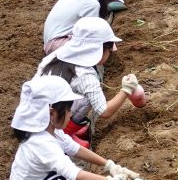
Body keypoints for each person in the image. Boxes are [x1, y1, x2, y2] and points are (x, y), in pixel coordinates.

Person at [6, 76, 139, 180]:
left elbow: (75, 148)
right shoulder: (42, 143)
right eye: (68, 110)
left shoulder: (51, 132)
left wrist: (110, 165)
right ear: (52, 113)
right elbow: (75, 174)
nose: (70, 114)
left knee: (62, 178)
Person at [36, 17, 143, 146]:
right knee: (86, 98)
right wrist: (126, 89)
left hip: (35, 116)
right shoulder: (86, 76)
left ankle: (64, 134)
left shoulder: (54, 55)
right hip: (52, 124)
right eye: (109, 51)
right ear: (99, 50)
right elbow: (104, 111)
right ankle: (63, 135)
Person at [43, 0, 126, 54]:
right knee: (97, 46)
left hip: (51, 41)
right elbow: (92, 35)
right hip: (57, 46)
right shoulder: (91, 4)